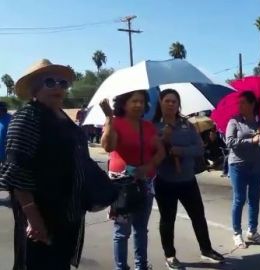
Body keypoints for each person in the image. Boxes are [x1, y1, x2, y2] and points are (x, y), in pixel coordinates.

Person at [0, 59, 88, 269]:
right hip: (42, 213)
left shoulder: (63, 118)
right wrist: (33, 217)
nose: (58, 87)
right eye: (50, 82)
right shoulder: (27, 117)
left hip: (68, 213)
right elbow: (17, 170)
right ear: (34, 89)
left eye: (63, 83)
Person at [153, 89, 224, 269]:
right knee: (167, 220)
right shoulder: (153, 127)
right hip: (165, 181)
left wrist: (180, 151)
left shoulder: (187, 125)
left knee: (198, 216)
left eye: (174, 101)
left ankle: (206, 250)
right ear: (160, 103)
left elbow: (199, 148)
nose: (171, 104)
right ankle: (170, 255)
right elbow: (151, 153)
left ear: (178, 105)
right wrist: (163, 140)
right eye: (167, 101)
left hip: (187, 180)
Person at [100, 90, 165, 270]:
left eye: (142, 102)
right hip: (122, 187)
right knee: (122, 231)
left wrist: (148, 166)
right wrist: (108, 118)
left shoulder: (148, 126)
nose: (139, 105)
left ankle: (141, 266)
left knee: (141, 229)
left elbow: (160, 152)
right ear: (123, 104)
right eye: (134, 101)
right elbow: (108, 146)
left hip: (145, 184)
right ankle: (121, 267)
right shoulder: (116, 123)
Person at [226, 91, 260, 249]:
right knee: (239, 199)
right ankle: (236, 233)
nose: (239, 105)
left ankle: (252, 231)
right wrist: (251, 140)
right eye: (239, 103)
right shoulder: (234, 121)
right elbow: (229, 142)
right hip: (238, 166)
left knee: (254, 199)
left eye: (243, 102)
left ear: (252, 104)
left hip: (258, 166)